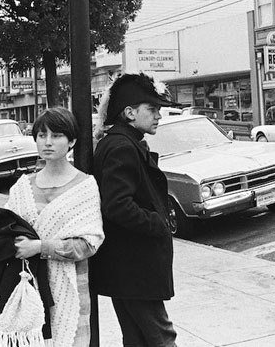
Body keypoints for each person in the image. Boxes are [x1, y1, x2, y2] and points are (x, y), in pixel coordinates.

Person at [91, 72, 180, 347]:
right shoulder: (122, 147)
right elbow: (117, 205)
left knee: (136, 338)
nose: (158, 116)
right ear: (129, 113)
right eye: (152, 110)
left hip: (126, 268)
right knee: (162, 337)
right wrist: (158, 223)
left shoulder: (121, 142)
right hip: (135, 266)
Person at [4, 107, 104, 347]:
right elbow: (5, 230)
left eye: (57, 135)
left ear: (72, 141)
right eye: (41, 135)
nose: (47, 142)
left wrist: (40, 246)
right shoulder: (22, 186)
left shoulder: (85, 186)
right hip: (28, 285)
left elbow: (88, 245)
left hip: (71, 290)